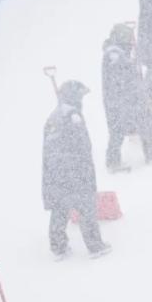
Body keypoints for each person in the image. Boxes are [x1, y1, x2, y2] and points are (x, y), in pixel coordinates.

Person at [42, 80, 112, 260]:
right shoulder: (73, 116)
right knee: (86, 207)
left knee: (60, 208)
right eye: (80, 96)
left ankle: (58, 247)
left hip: (55, 173)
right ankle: (95, 246)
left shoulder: (53, 116)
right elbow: (81, 146)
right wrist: (83, 172)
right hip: (75, 171)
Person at [102, 23, 152, 172]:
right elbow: (122, 77)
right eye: (128, 41)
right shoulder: (114, 54)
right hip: (125, 101)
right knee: (126, 128)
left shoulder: (116, 52)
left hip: (123, 101)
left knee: (124, 129)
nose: (130, 44)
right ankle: (147, 155)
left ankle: (116, 160)